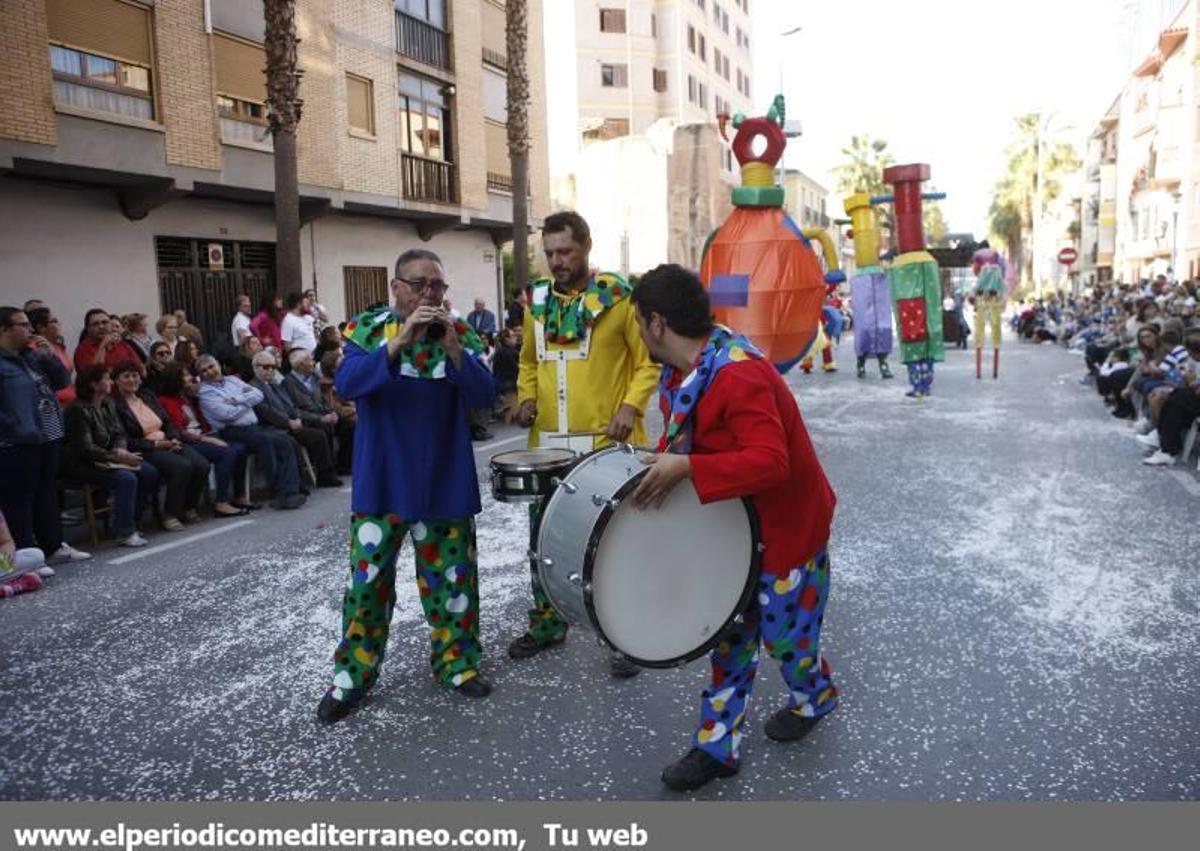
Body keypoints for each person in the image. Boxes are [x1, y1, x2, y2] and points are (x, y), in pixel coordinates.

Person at [628, 264, 838, 792]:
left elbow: (771, 462)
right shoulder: (682, 370)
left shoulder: (737, 372)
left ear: (655, 323)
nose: (636, 332)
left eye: (637, 322)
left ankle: (815, 694)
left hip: (788, 533)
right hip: (734, 537)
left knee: (789, 644)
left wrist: (689, 469)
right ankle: (717, 746)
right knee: (731, 640)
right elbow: (693, 440)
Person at [317, 247, 496, 725]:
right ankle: (352, 677)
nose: (430, 294)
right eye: (420, 285)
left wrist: (456, 350)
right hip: (383, 483)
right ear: (396, 287)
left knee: (454, 582)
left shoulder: (462, 333)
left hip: (445, 481)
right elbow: (349, 384)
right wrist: (399, 341)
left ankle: (457, 664)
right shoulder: (366, 330)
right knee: (367, 588)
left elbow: (484, 397)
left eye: (437, 285)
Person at [508, 211, 659, 673]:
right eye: (549, 253)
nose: (556, 261)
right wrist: (526, 397)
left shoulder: (618, 300)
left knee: (611, 545)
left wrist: (630, 407)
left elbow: (648, 362)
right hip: (548, 445)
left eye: (565, 252)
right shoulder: (535, 303)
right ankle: (548, 622)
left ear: (587, 247)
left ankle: (621, 637)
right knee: (544, 538)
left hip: (607, 446)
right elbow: (529, 362)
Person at [0, 307, 90, 564]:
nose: (30, 330)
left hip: (47, 433)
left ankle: (53, 546)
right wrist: (13, 427)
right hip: (16, 440)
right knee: (20, 498)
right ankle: (26, 553)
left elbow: (62, 382)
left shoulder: (31, 355)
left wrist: (50, 356)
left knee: (46, 492)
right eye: (23, 325)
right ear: (4, 330)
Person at [62, 366, 160, 547]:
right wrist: (117, 457)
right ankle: (124, 532)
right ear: (93, 384)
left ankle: (132, 520)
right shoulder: (77, 410)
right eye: (106, 379)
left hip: (110, 456)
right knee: (126, 478)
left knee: (149, 472)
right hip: (84, 463)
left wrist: (121, 450)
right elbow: (85, 448)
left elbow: (119, 433)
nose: (110, 382)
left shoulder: (108, 403)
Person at [196, 354, 306, 510]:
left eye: (211, 366)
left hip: (253, 428)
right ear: (201, 375)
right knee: (265, 440)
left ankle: (290, 491)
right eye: (204, 370)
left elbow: (258, 395)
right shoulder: (206, 393)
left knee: (284, 442)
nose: (209, 371)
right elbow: (227, 415)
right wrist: (246, 401)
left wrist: (237, 401)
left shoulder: (232, 381)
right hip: (232, 431)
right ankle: (277, 492)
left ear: (218, 365)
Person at [111, 360, 210, 530]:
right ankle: (170, 514)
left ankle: (188, 507)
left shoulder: (147, 396)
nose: (132, 380)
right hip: (145, 447)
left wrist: (172, 439)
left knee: (202, 465)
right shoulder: (114, 405)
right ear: (116, 380)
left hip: (167, 440)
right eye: (126, 376)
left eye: (135, 375)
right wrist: (157, 444)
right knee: (182, 466)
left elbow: (167, 421)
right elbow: (126, 439)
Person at [156, 363, 253, 516]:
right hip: (189, 441)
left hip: (203, 435)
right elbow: (180, 431)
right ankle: (221, 502)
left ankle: (239, 495)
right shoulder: (166, 401)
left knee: (239, 448)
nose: (190, 378)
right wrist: (209, 440)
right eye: (186, 375)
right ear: (176, 379)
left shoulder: (186, 396)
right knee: (226, 453)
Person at [249, 351, 341, 488]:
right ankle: (321, 476)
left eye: (273, 367)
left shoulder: (275, 385)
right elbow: (266, 412)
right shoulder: (253, 388)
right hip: (275, 428)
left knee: (323, 429)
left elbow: (291, 407)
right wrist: (289, 422)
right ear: (255, 367)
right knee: (318, 435)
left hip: (292, 422)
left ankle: (327, 473)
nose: (271, 370)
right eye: (266, 367)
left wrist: (296, 418)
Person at [283, 349, 354, 476]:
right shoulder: (288, 383)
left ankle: (345, 465)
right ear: (300, 365)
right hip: (307, 419)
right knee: (322, 430)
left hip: (323, 414)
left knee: (348, 424)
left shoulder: (314, 376)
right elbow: (294, 410)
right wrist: (319, 418)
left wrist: (331, 412)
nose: (313, 362)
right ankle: (326, 473)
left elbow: (323, 399)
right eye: (309, 360)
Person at [27, 307, 76, 407]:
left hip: (69, 403)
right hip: (52, 404)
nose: (59, 324)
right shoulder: (34, 349)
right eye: (54, 321)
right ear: (41, 327)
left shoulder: (57, 346)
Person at [318, 350, 356, 474]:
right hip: (339, 418)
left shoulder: (344, 379)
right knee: (353, 424)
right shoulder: (326, 385)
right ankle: (345, 464)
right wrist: (355, 411)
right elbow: (334, 407)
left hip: (350, 413)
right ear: (333, 368)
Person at [75, 309, 145, 373]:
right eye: (96, 324)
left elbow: (141, 369)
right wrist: (103, 345)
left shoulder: (121, 344)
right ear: (88, 329)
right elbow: (94, 374)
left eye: (105, 322)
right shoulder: (83, 349)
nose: (101, 326)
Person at [280, 292, 318, 357]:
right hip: (301, 361)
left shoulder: (308, 318)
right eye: (306, 303)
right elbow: (287, 346)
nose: (309, 305)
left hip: (314, 358)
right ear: (298, 304)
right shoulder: (288, 321)